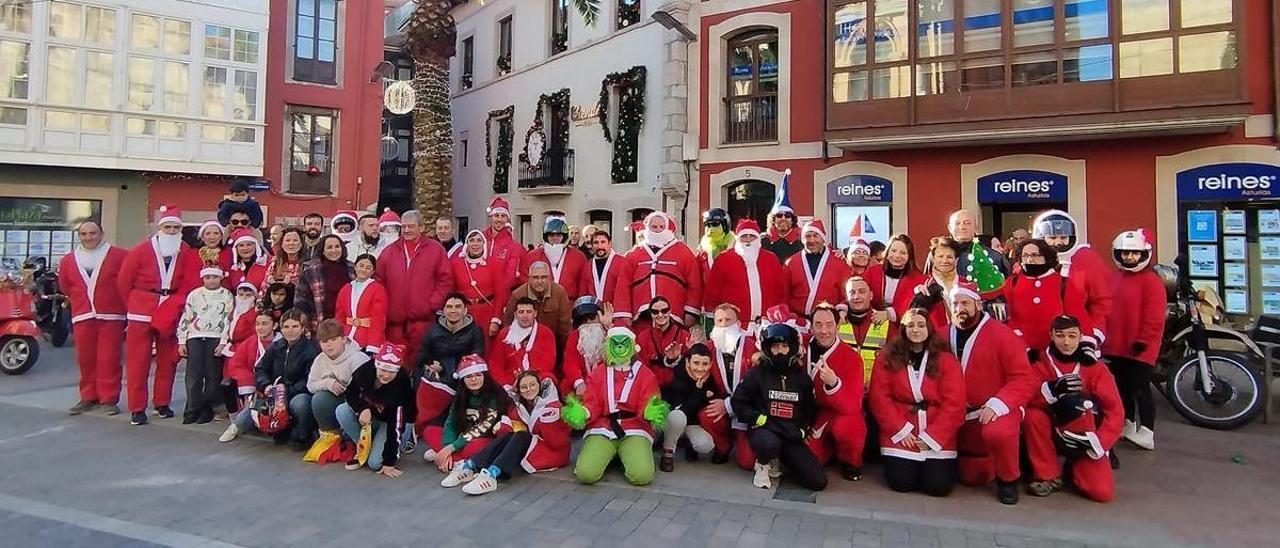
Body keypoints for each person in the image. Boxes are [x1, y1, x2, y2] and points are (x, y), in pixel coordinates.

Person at [948, 282, 1036, 504]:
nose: (960, 308)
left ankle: (1008, 479)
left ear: (978, 304)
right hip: (957, 411)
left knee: (999, 432)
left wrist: (999, 403)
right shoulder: (942, 334)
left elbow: (1024, 378)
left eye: (965, 303)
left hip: (994, 408)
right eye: (955, 303)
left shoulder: (1003, 335)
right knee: (971, 477)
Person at [867, 307, 965, 496]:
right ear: (903, 329)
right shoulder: (887, 356)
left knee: (938, 487)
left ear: (929, 328)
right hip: (901, 429)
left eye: (921, 325)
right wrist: (900, 430)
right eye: (910, 325)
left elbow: (955, 403)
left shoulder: (946, 360)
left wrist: (932, 437)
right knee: (901, 483)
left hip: (937, 430)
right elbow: (879, 397)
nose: (915, 330)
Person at [1023, 315, 1122, 502]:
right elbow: (1024, 398)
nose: (1066, 342)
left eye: (1072, 336)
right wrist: (1050, 390)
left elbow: (1115, 411)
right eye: (1060, 336)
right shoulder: (1039, 362)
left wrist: (1099, 442)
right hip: (1049, 425)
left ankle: (1075, 464)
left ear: (1080, 337)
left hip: (1084, 432)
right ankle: (1048, 475)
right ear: (1051, 336)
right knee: (1032, 416)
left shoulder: (1095, 367)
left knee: (1102, 493)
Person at [120, 205, 200, 425]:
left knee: (168, 360)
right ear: (160, 227)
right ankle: (137, 407)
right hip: (141, 310)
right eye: (168, 227)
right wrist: (133, 305)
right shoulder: (140, 250)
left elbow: (191, 281)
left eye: (176, 227)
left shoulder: (185, 250)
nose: (172, 231)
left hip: (171, 309)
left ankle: (161, 403)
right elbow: (124, 281)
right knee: (138, 362)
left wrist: (178, 304)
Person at [563, 327, 667, 486]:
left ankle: (620, 456)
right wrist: (582, 412)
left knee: (642, 477)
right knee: (586, 474)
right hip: (604, 427)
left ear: (632, 346)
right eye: (615, 344)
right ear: (608, 346)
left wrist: (649, 411)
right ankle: (611, 455)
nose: (620, 348)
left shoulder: (645, 374)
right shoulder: (598, 373)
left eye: (624, 344)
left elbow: (649, 399)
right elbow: (592, 402)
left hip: (634, 428)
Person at [442, 370, 571, 495]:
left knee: (521, 435)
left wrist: (549, 422)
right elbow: (510, 426)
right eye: (524, 387)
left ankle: (492, 474)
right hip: (532, 447)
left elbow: (556, 442)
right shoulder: (519, 407)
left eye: (532, 385)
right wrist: (504, 427)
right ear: (519, 390)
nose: (529, 389)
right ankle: (470, 466)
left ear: (539, 386)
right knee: (510, 435)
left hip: (552, 453)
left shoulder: (554, 407)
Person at [731, 322, 826, 491]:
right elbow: (738, 401)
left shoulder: (802, 378)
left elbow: (810, 409)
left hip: (791, 434)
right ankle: (763, 464)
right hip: (765, 430)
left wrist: (803, 429)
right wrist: (758, 418)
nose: (780, 351)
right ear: (767, 348)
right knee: (768, 444)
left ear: (793, 348)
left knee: (818, 481)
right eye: (775, 346)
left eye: (784, 346)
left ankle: (782, 459)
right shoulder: (756, 374)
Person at [1103, 229, 1165, 451]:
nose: (1129, 257)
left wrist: (1144, 340)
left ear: (1143, 254)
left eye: (1134, 253)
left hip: (1140, 347)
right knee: (1122, 389)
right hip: (1116, 345)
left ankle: (1147, 432)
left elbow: (1154, 317)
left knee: (1141, 389)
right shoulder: (1114, 276)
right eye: (1125, 253)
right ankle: (1127, 425)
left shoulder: (1151, 281)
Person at [218, 311, 320, 448]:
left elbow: (309, 378)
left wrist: (285, 391)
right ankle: (236, 426)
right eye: (286, 327)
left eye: (295, 326)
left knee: (300, 404)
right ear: (281, 328)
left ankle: (303, 434)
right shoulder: (276, 346)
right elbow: (260, 369)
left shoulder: (311, 349)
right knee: (256, 406)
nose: (290, 331)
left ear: (302, 328)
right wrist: (265, 385)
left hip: (298, 392)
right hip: (274, 392)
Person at [61, 221, 127, 416]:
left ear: (101, 234)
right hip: (83, 315)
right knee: (85, 358)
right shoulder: (69, 260)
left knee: (110, 357)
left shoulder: (119, 255)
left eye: (93, 233)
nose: (89, 237)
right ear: (79, 236)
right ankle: (88, 396)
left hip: (111, 314)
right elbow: (65, 285)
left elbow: (126, 280)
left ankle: (109, 398)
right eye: (84, 234)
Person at [375, 210, 454, 363]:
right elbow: (379, 281)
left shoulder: (435, 250)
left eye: (411, 226)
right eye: (403, 227)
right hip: (394, 325)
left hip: (423, 321)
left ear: (422, 227)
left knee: (421, 364)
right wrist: (385, 308)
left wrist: (432, 304)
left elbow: (445, 280)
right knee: (395, 366)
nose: (407, 230)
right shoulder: (389, 252)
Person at [1032, 210, 1113, 351]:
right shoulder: (1029, 263)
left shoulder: (1086, 261)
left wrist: (1093, 334)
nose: (1058, 242)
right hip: (1040, 340)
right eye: (1051, 237)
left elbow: (1101, 302)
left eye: (1063, 237)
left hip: (1078, 340)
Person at [1005, 239, 1096, 358]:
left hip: (1056, 353)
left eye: (1035, 255)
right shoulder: (1012, 283)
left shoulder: (1063, 283)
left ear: (1046, 257)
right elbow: (1007, 319)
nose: (1029, 260)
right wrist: (1021, 345)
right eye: (1025, 256)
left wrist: (1086, 344)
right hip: (1021, 352)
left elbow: (1078, 314)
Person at [805, 303, 866, 481]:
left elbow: (852, 406)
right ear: (811, 325)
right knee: (808, 460)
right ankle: (827, 447)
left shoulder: (851, 357)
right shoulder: (800, 346)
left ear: (837, 325)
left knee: (848, 426)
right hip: (809, 413)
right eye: (818, 324)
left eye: (829, 324)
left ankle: (850, 461)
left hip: (836, 412)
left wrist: (833, 384)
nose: (824, 330)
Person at [336, 342, 416, 477]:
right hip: (373, 413)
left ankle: (406, 436)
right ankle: (364, 448)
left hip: (395, 421)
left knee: (375, 463)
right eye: (382, 370)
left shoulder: (402, 384)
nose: (385, 375)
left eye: (391, 371)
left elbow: (396, 425)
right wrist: (361, 409)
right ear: (376, 365)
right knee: (342, 410)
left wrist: (389, 462)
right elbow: (351, 392)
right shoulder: (365, 370)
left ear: (397, 370)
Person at [423, 354, 511, 472]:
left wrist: (452, 447)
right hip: (461, 437)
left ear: (484, 375)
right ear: (463, 379)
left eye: (478, 375)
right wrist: (447, 447)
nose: (473, 379)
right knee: (430, 431)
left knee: (475, 447)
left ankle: (447, 459)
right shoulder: (461, 396)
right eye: (468, 376)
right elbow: (451, 422)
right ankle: (451, 458)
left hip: (484, 437)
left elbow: (482, 427)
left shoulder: (494, 395)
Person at [414, 293, 486, 433]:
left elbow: (477, 357)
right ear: (444, 310)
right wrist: (430, 364)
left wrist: (453, 369)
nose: (453, 310)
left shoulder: (475, 331)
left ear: (465, 310)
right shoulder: (432, 330)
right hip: (435, 374)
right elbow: (421, 355)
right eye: (449, 307)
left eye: (458, 307)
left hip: (462, 374)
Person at [623, 211, 702, 329]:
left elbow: (695, 284)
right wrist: (624, 313)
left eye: (661, 227)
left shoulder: (683, 251)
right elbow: (623, 286)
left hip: (674, 315)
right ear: (647, 228)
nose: (658, 230)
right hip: (643, 316)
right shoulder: (634, 254)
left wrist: (691, 311)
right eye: (654, 227)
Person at [703, 219, 787, 328]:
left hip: (767, 324)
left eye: (752, 236)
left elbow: (780, 290)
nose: (748, 240)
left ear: (758, 238)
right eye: (744, 236)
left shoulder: (771, 259)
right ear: (737, 239)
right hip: (733, 325)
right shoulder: (723, 259)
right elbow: (712, 292)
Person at [177, 266, 234, 424]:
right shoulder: (195, 294)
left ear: (220, 278)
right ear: (203, 278)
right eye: (207, 277)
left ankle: (206, 408)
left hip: (214, 337)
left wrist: (223, 342)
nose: (211, 280)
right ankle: (192, 409)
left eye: (214, 277)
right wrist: (182, 340)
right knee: (193, 377)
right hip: (195, 337)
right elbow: (186, 317)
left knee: (212, 377)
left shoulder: (226, 295)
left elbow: (227, 319)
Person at [659, 343, 728, 472]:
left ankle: (689, 444)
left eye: (704, 364)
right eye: (696, 363)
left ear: (710, 364)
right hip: (672, 419)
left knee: (706, 445)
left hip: (692, 423)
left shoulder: (709, 379)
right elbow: (684, 410)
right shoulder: (679, 375)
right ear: (688, 362)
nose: (700, 368)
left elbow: (716, 397)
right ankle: (667, 453)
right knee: (677, 417)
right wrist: (699, 392)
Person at [306, 319, 371, 457]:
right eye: (324, 341)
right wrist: (328, 383)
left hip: (361, 402)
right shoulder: (320, 359)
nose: (329, 345)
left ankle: (357, 438)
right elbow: (310, 385)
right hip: (338, 398)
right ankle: (331, 439)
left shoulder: (357, 358)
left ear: (343, 339)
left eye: (333, 340)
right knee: (319, 399)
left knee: (344, 410)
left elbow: (367, 390)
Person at [704, 303, 757, 468]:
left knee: (747, 462)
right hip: (722, 401)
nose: (724, 324)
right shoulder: (709, 348)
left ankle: (744, 440)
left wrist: (729, 405)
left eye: (729, 320)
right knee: (706, 414)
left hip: (747, 407)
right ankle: (723, 447)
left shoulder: (753, 347)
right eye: (719, 320)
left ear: (739, 324)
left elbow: (757, 387)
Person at [452, 230, 511, 342]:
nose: (475, 244)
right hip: (464, 314)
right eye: (472, 240)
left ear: (483, 244)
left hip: (486, 314)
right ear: (466, 244)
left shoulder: (494, 263)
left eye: (479, 240)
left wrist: (496, 319)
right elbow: (451, 290)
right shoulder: (456, 264)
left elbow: (500, 293)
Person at [489, 297, 558, 390]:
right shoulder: (504, 334)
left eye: (529, 312)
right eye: (521, 312)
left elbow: (548, 363)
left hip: (538, 378)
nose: (525, 315)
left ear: (535, 313)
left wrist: (527, 378)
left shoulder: (546, 333)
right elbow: (496, 364)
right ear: (515, 314)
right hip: (512, 380)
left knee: (549, 379)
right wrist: (505, 385)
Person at [786, 219, 850, 316]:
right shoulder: (791, 263)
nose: (812, 240)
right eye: (808, 236)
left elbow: (847, 292)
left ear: (823, 238)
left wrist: (842, 310)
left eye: (815, 236)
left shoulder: (839, 262)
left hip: (829, 320)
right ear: (802, 239)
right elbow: (784, 294)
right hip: (798, 320)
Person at [862, 234, 927, 323]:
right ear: (887, 253)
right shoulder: (872, 272)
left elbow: (914, 305)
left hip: (904, 326)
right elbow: (860, 292)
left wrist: (889, 314)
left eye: (903, 253)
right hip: (873, 323)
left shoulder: (919, 279)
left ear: (909, 256)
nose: (897, 255)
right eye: (893, 251)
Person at [502, 262, 572, 344]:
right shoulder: (517, 295)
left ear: (549, 278)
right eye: (535, 277)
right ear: (529, 278)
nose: (539, 281)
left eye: (543, 277)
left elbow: (565, 327)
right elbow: (508, 325)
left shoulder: (559, 292)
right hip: (525, 343)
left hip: (552, 342)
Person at [522, 216, 587, 299]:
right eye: (551, 235)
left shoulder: (579, 257)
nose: (555, 238)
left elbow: (584, 284)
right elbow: (525, 281)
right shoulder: (533, 256)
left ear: (564, 236)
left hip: (569, 304)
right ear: (546, 236)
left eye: (558, 234)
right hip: (539, 303)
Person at [222, 312, 275, 414]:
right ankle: (237, 421)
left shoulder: (281, 341)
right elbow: (236, 364)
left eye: (264, 324)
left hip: (274, 383)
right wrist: (248, 379)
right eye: (257, 324)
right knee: (227, 386)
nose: (260, 327)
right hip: (254, 382)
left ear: (274, 325)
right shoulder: (250, 342)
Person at [294, 234, 353, 325]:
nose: (334, 250)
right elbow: (301, 300)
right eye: (329, 247)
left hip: (348, 320)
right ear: (323, 251)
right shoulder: (311, 269)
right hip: (320, 321)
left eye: (337, 246)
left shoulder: (352, 268)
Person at [578, 229, 632, 324]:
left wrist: (623, 316)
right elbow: (583, 292)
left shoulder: (622, 262)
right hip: (594, 316)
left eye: (603, 242)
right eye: (596, 243)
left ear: (609, 243)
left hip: (617, 315)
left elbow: (626, 291)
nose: (600, 246)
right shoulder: (587, 266)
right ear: (592, 245)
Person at [635, 295, 690, 388]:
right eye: (655, 312)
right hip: (652, 388)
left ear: (670, 311)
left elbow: (690, 366)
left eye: (664, 311)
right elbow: (640, 367)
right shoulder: (642, 338)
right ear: (651, 314)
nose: (660, 315)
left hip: (678, 389)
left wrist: (676, 359)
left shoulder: (684, 335)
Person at [911, 236, 962, 331]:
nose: (945, 261)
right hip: (932, 337)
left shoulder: (965, 283)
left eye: (950, 257)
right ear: (933, 259)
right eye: (940, 256)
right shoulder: (921, 283)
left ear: (956, 260)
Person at [560, 296, 609, 397]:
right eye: (584, 320)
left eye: (592, 318)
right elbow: (570, 362)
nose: (589, 323)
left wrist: (609, 327)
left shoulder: (610, 333)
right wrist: (579, 382)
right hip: (582, 382)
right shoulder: (575, 336)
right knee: (565, 385)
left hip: (606, 382)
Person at [946, 209, 1010, 281]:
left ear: (976, 226)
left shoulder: (993, 256)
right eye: (957, 223)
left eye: (967, 223)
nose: (962, 227)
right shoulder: (938, 255)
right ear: (950, 228)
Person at [482, 197, 527, 288]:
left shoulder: (515, 247)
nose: (499, 219)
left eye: (503, 216)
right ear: (491, 217)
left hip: (504, 295)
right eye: (496, 215)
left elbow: (519, 278)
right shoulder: (480, 240)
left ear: (507, 219)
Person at [762, 173, 802, 262]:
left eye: (787, 215)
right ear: (773, 219)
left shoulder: (802, 240)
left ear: (792, 220)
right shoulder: (762, 241)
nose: (783, 218)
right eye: (779, 215)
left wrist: (838, 253)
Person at [223, 227, 268, 292]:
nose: (245, 248)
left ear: (255, 246)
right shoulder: (232, 267)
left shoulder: (267, 263)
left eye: (249, 244)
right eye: (241, 245)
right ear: (236, 249)